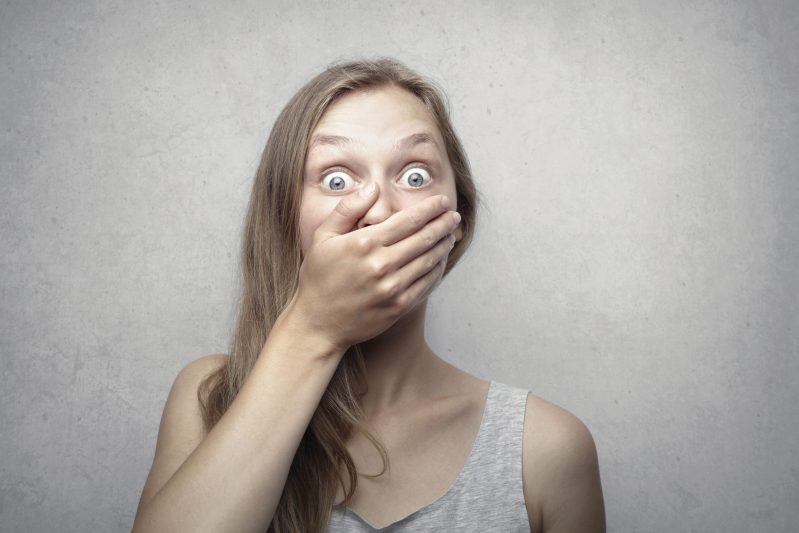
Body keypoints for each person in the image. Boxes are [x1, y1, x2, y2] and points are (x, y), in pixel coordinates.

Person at [132, 57, 605, 533]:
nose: (378, 211)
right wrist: (314, 328)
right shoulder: (209, 398)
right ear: (286, 217)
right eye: (336, 179)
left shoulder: (546, 450)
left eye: (415, 175)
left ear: (457, 222)